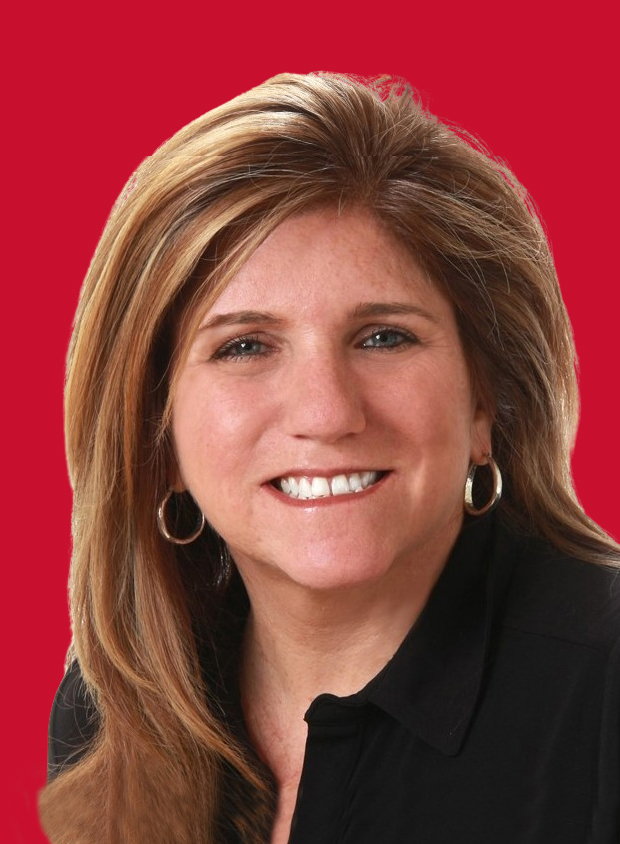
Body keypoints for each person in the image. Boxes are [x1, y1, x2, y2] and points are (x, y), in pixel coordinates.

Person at [39, 72, 620, 844]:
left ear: (486, 401)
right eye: (245, 346)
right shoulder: (112, 706)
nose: (326, 413)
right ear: (157, 433)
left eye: (384, 337)